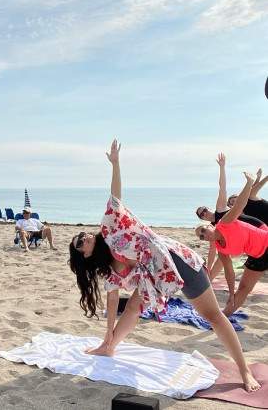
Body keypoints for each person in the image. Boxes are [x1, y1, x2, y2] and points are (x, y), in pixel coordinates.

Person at [68, 140, 260, 392]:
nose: (85, 237)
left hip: (178, 262)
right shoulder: (108, 271)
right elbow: (113, 301)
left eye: (83, 234)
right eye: (80, 242)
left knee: (213, 316)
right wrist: (107, 335)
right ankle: (109, 347)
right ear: (84, 255)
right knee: (133, 308)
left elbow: (115, 196)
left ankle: (244, 370)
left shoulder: (110, 228)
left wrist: (115, 164)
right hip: (155, 280)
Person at [195, 172, 268, 317]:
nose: (204, 235)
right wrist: (231, 292)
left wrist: (249, 182)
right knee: (243, 289)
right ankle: (222, 318)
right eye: (202, 237)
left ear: (210, 226)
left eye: (203, 230)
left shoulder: (224, 223)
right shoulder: (221, 248)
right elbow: (229, 271)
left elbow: (239, 204)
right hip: (258, 257)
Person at [195, 153, 264, 278]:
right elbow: (212, 250)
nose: (204, 213)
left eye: (204, 210)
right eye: (202, 215)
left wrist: (222, 167)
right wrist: (208, 268)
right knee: (222, 256)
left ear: (208, 208)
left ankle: (209, 280)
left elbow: (222, 188)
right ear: (203, 219)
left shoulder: (220, 209)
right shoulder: (212, 230)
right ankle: (209, 279)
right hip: (248, 238)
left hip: (256, 225)